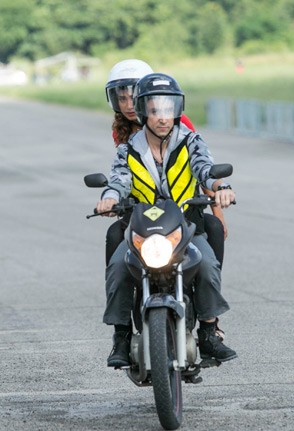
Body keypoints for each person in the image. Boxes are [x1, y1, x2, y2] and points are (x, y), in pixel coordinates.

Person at [96, 73, 237, 368]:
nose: (163, 117)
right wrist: (109, 198)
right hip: (141, 230)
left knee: (208, 264)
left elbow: (206, 169)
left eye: (169, 108)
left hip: (185, 226)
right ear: (143, 109)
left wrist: (221, 189)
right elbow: (119, 180)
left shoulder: (191, 141)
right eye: (155, 109)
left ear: (178, 109)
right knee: (119, 267)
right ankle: (121, 336)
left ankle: (210, 333)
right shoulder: (128, 149)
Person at [103, 59, 227, 268]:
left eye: (134, 97)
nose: (129, 105)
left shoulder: (175, 123)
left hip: (179, 207)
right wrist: (111, 198)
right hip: (143, 208)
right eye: (121, 98)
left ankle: (210, 294)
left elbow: (198, 163)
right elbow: (125, 172)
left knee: (214, 227)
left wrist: (218, 209)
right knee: (115, 234)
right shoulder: (121, 130)